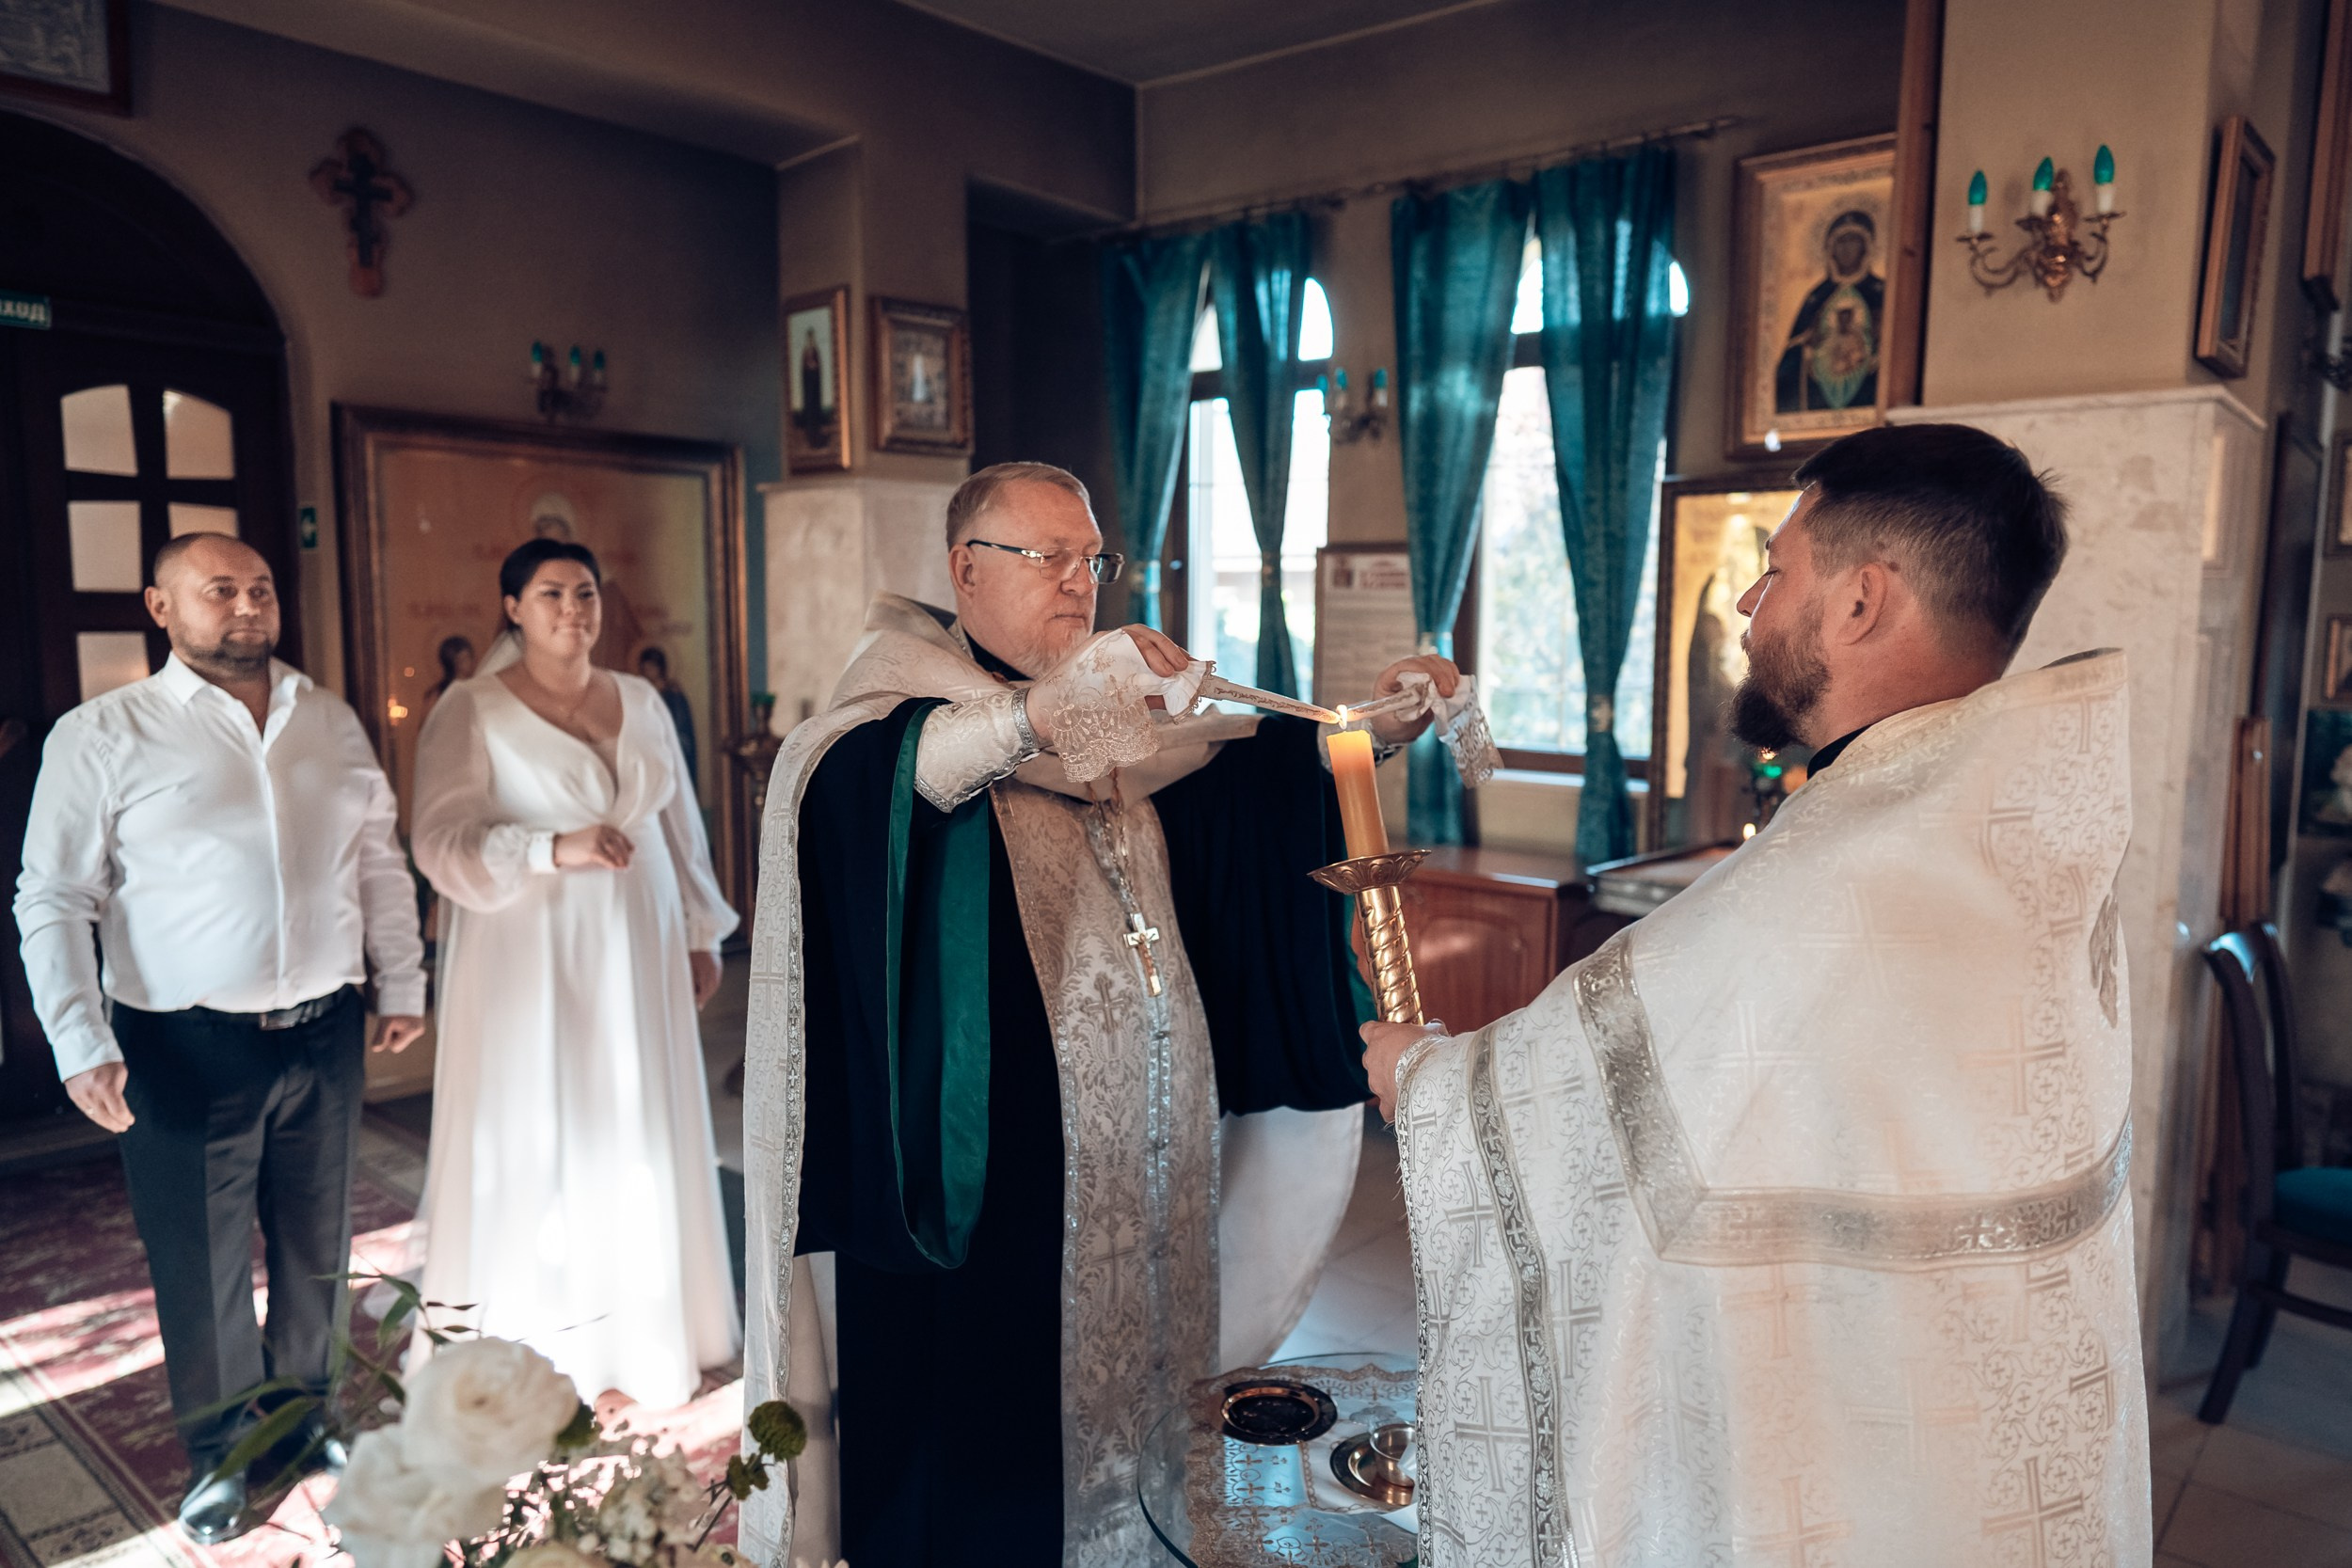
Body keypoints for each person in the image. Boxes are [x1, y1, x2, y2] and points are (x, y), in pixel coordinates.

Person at [1363, 422, 2150, 1566]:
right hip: (1986, 1455)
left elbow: (1563, 1099)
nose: (1746, 600)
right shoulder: (2017, 827)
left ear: (1861, 601)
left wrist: (1425, 1079)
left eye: (1777, 570)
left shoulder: (1836, 876)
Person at [739, 462, 1455, 1567]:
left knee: (1152, 1392)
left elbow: (1245, 774)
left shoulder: (1120, 718)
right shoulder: (884, 716)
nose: (1080, 582)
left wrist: (1374, 727)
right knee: (988, 1449)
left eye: (1092, 558)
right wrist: (1041, 712)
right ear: (965, 569)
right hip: (991, 1173)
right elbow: (882, 779)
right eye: (1048, 556)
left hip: (1150, 1141)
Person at [14, 533, 427, 1544]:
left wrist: (403, 976)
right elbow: (53, 896)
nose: (247, 605)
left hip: (324, 1029)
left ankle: (306, 1418)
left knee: (318, 1245)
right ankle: (222, 1454)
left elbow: (378, 858)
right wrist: (78, 1037)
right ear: (160, 606)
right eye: (220, 589)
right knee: (199, 1262)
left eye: (261, 588)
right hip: (181, 1043)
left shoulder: (328, 717)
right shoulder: (102, 733)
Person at [408, 538, 739, 1410]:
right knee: (547, 1116)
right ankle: (547, 1345)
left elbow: (678, 824)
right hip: (531, 947)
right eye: (550, 593)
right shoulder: (470, 707)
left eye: (585, 592)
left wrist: (700, 929)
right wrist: (552, 847)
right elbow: (440, 841)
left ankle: (653, 1333)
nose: (572, 608)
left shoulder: (642, 698)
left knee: (639, 1111)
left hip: (641, 933)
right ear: (513, 607)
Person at [1773, 208, 1883, 414]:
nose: (1846, 248)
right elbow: (1792, 353)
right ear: (1830, 248)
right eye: (1841, 242)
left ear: (1865, 246)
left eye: (1853, 241)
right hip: (1819, 389)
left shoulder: (1881, 292)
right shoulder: (1817, 296)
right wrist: (1810, 343)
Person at [637, 644, 699, 788]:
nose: (647, 672)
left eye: (651, 668)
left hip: (670, 750)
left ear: (660, 669)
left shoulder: (673, 695)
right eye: (645, 668)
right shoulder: (643, 693)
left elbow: (680, 728)